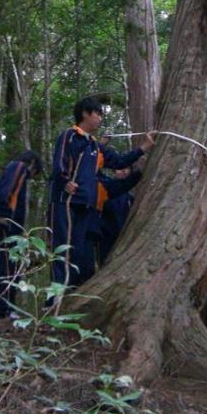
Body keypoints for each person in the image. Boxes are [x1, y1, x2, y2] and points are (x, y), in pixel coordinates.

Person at [49, 96, 155, 288]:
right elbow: (59, 162)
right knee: (64, 250)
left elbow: (120, 162)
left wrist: (143, 149)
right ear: (85, 114)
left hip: (85, 207)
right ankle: (55, 303)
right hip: (67, 202)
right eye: (97, 113)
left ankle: (71, 297)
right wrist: (65, 181)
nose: (100, 118)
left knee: (80, 254)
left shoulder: (95, 147)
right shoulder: (71, 136)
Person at [0, 150, 43, 318]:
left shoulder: (9, 170)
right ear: (32, 164)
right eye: (34, 173)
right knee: (5, 270)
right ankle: (4, 310)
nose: (30, 177)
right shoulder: (19, 168)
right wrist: (5, 218)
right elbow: (9, 193)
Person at [96, 167, 142, 265]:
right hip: (106, 236)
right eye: (119, 169)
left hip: (124, 235)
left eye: (126, 168)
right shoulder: (105, 191)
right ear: (114, 171)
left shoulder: (130, 198)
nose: (123, 171)